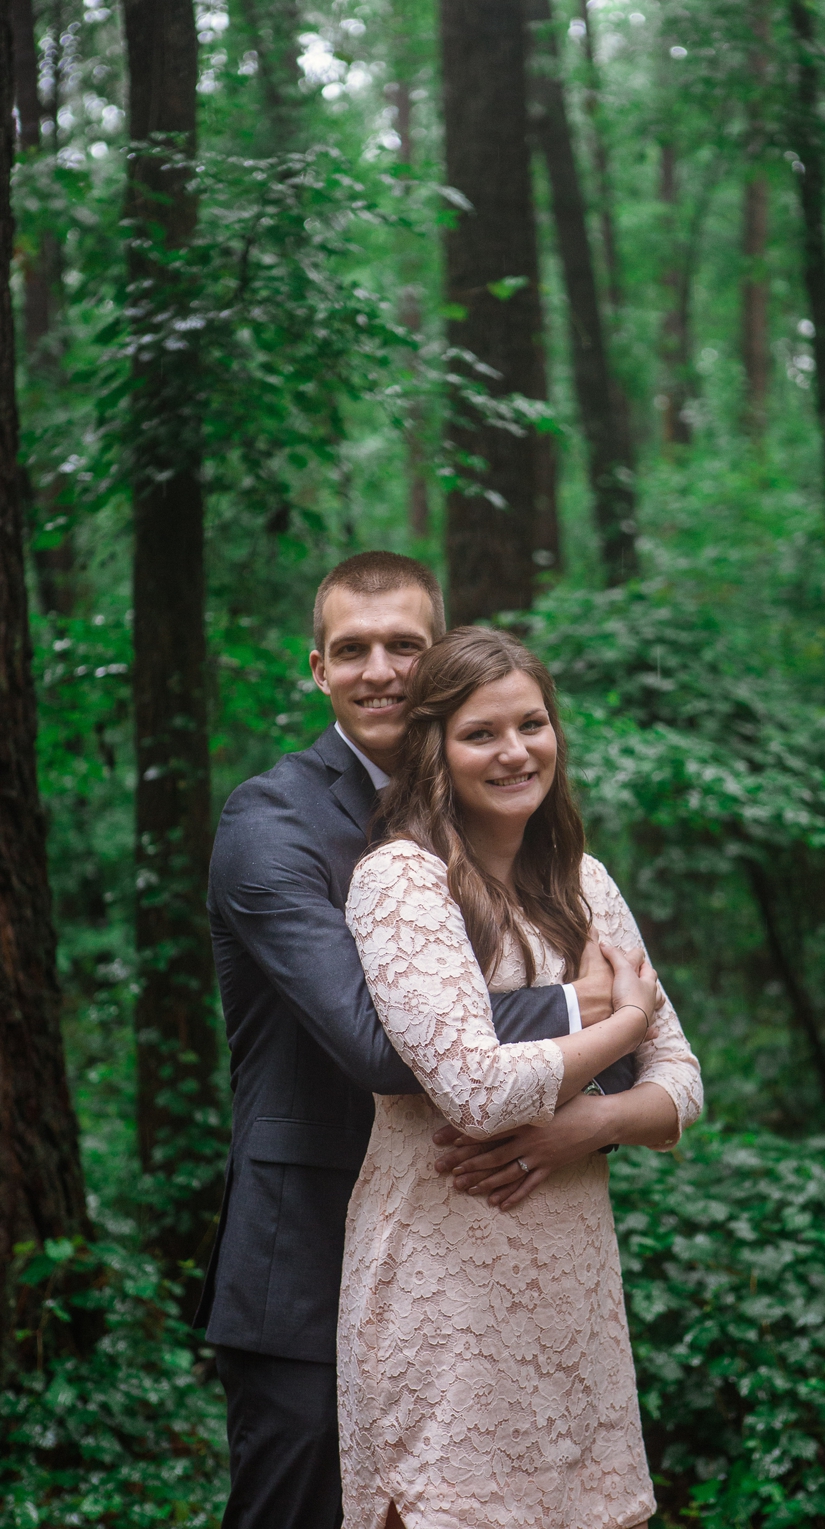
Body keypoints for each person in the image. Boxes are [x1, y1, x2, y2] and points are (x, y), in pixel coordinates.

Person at [199, 552, 636, 1529]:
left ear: (440, 657)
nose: (381, 669)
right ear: (317, 668)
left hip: (478, 1267)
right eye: (352, 649)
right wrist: (576, 1007)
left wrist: (586, 1114)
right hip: (308, 1258)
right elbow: (377, 1041)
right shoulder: (272, 823)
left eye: (405, 644)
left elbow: (629, 1060)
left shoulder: (503, 819)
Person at [340, 625, 702, 1529]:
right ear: (435, 749)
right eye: (481, 733)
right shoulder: (401, 882)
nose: (514, 752)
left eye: (531, 724)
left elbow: (684, 1081)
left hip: (574, 1297)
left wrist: (584, 1126)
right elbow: (474, 1088)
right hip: (447, 1292)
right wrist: (618, 1020)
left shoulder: (587, 884)